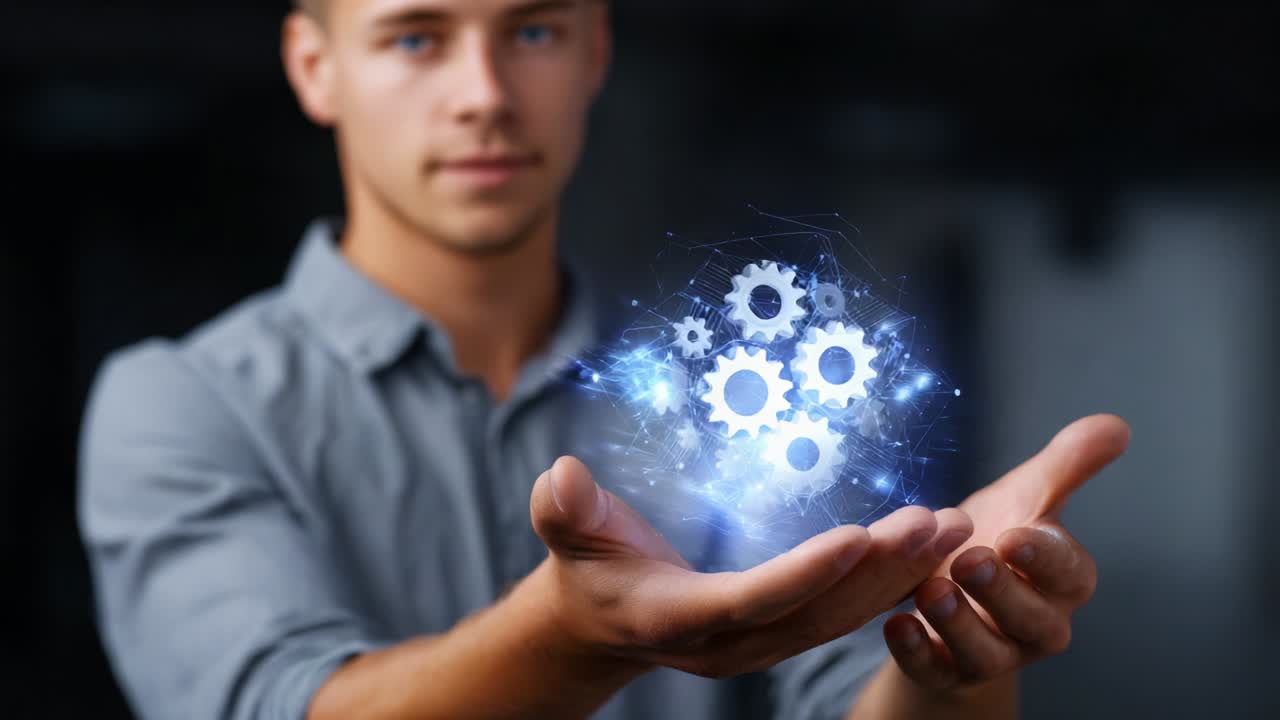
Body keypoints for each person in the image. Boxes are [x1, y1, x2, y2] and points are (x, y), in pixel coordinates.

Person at [77, 0, 1130, 718]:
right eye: (414, 39)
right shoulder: (180, 403)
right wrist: (575, 635)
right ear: (316, 67)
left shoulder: (721, 400)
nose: (483, 92)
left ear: (593, 53)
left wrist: (949, 661)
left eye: (532, 30)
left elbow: (849, 697)